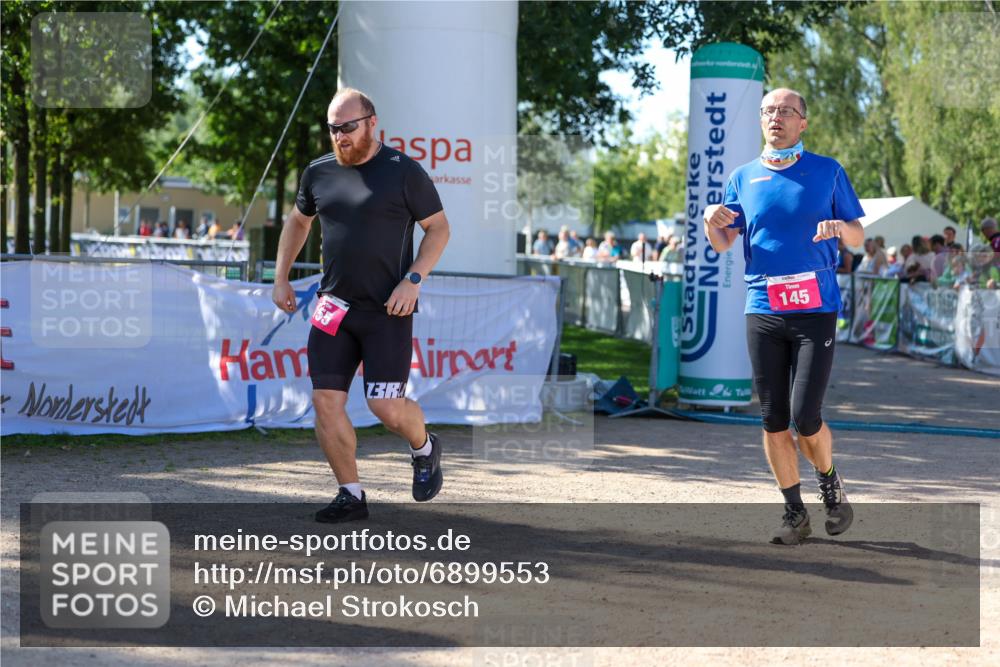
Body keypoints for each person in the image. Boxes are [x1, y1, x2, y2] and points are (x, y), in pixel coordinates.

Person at [271, 87, 450, 523]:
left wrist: (414, 280)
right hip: (333, 308)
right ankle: (351, 494)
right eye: (332, 129)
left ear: (372, 123)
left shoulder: (403, 171)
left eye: (347, 127)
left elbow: (439, 229)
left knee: (385, 407)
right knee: (325, 401)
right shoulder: (318, 173)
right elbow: (298, 221)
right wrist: (281, 276)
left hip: (388, 310)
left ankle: (425, 447)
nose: (340, 137)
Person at [703, 88, 863, 545]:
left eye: (786, 111)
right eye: (769, 111)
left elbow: (857, 234)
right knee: (774, 418)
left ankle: (830, 484)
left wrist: (840, 228)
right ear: (761, 121)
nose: (776, 117)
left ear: (803, 123)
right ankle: (794, 512)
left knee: (805, 416)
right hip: (763, 308)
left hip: (816, 310)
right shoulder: (742, 177)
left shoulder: (827, 171)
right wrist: (711, 221)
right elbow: (723, 243)